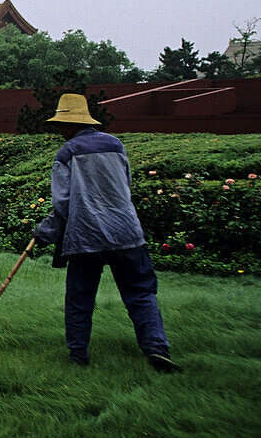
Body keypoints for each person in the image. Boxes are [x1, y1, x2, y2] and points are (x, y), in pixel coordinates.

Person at [34, 93, 181, 373]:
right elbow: (124, 188)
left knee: (80, 298)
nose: (59, 130)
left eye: (60, 124)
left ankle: (78, 355)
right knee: (141, 293)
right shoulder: (116, 146)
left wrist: (44, 233)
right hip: (127, 233)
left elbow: (62, 205)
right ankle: (156, 348)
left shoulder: (66, 154)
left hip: (86, 236)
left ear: (68, 124)